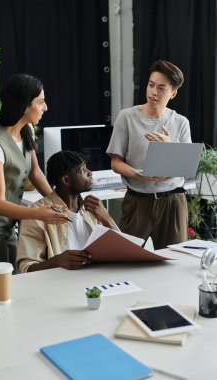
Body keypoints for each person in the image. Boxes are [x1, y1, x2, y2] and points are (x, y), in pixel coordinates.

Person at [0, 73, 68, 278]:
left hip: (9, 226)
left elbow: (35, 172)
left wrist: (59, 202)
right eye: (41, 102)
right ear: (24, 106)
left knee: (15, 281)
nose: (45, 107)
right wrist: (40, 212)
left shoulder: (26, 131)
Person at [106, 60, 191, 249]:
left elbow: (184, 170)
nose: (153, 92)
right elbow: (116, 163)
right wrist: (141, 176)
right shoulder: (126, 117)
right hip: (137, 201)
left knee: (175, 262)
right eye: (151, 85)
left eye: (162, 88)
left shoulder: (181, 122)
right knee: (127, 259)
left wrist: (168, 147)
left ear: (173, 93)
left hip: (172, 202)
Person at [17, 151, 118, 272]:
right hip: (59, 285)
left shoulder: (94, 208)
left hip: (98, 279)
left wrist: (107, 219)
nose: (90, 173)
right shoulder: (36, 213)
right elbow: (26, 267)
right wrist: (57, 262)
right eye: (83, 170)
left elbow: (123, 250)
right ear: (66, 180)